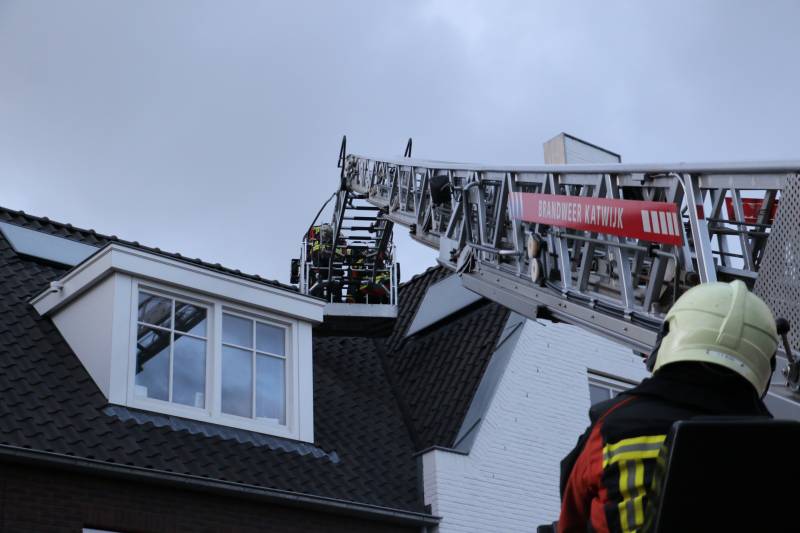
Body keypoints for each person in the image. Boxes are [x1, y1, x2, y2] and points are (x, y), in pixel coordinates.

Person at [558, 280, 779, 533]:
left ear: (666, 337)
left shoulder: (613, 428)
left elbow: (570, 520)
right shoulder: (779, 450)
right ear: (766, 366)